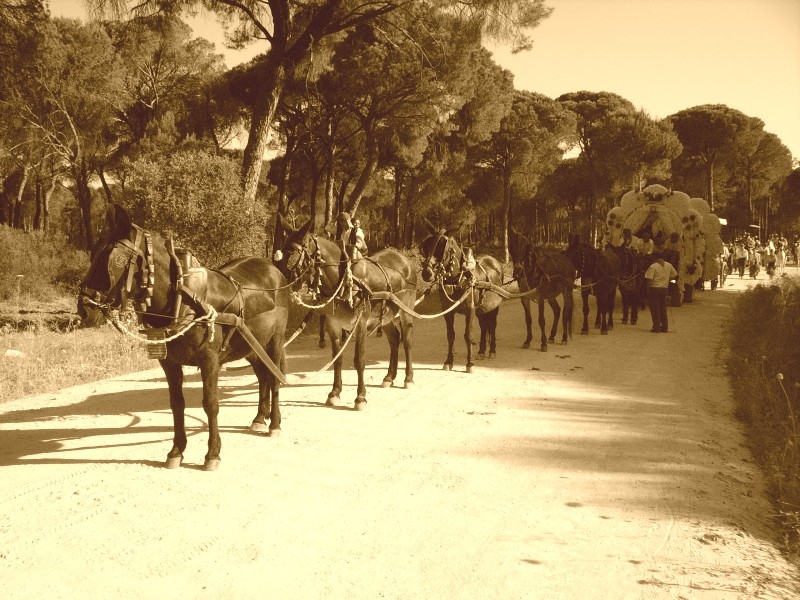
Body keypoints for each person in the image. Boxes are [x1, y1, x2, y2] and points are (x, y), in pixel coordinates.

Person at [643, 251, 678, 333]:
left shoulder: (653, 266)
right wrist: (667, 280)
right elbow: (675, 274)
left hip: (654, 289)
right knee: (663, 308)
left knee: (655, 309)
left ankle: (656, 327)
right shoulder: (668, 265)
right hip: (664, 289)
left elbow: (649, 280)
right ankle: (665, 327)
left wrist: (647, 291)